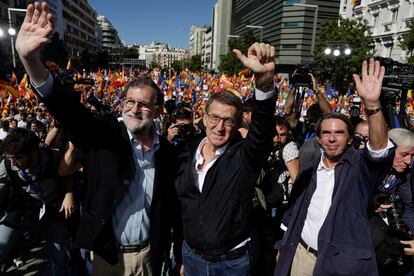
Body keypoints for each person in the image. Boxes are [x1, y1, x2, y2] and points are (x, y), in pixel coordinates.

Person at [15, 2, 179, 275]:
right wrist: (31, 60)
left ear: (158, 111)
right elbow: (71, 113)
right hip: (108, 256)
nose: (135, 109)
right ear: (121, 104)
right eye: (129, 102)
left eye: (144, 105)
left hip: (150, 256)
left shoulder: (168, 153)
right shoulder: (106, 134)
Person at [274, 58, 394, 276]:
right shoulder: (308, 169)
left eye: (339, 133)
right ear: (318, 139)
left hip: (341, 266)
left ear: (350, 140)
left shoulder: (359, 170)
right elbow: (294, 212)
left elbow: (378, 152)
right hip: (302, 256)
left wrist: (373, 106)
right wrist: (284, 246)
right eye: (326, 133)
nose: (332, 138)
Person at [175, 42, 276, 275]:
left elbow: (261, 132)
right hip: (191, 257)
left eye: (228, 121)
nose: (219, 127)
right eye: (214, 118)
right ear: (203, 117)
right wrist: (183, 254)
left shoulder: (244, 156)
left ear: (238, 123)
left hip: (232, 264)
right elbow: (181, 207)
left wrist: (263, 82)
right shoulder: (184, 153)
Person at [0, 128, 72, 275]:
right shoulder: (7, 165)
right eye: (9, 158)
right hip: (23, 210)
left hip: (54, 209)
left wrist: (68, 195)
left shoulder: (54, 157)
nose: (13, 163)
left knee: (58, 254)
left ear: (33, 151)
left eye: (18, 158)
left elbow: (70, 175)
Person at [369, 128, 414, 275]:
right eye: (404, 154)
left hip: (392, 245)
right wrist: (370, 203)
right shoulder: (368, 170)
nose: (408, 161)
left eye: (413, 156)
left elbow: (409, 207)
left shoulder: (404, 176)